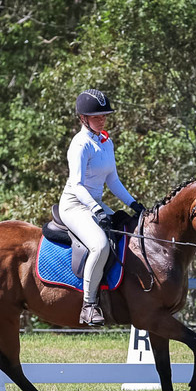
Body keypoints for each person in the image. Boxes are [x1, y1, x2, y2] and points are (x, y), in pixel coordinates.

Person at [58, 89, 146, 326]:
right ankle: (88, 305)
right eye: (97, 116)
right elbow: (76, 184)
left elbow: (113, 180)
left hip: (94, 204)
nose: (102, 119)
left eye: (105, 115)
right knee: (99, 245)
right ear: (83, 118)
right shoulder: (79, 144)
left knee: (129, 232)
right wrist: (97, 210)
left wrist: (133, 203)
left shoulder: (105, 142)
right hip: (75, 205)